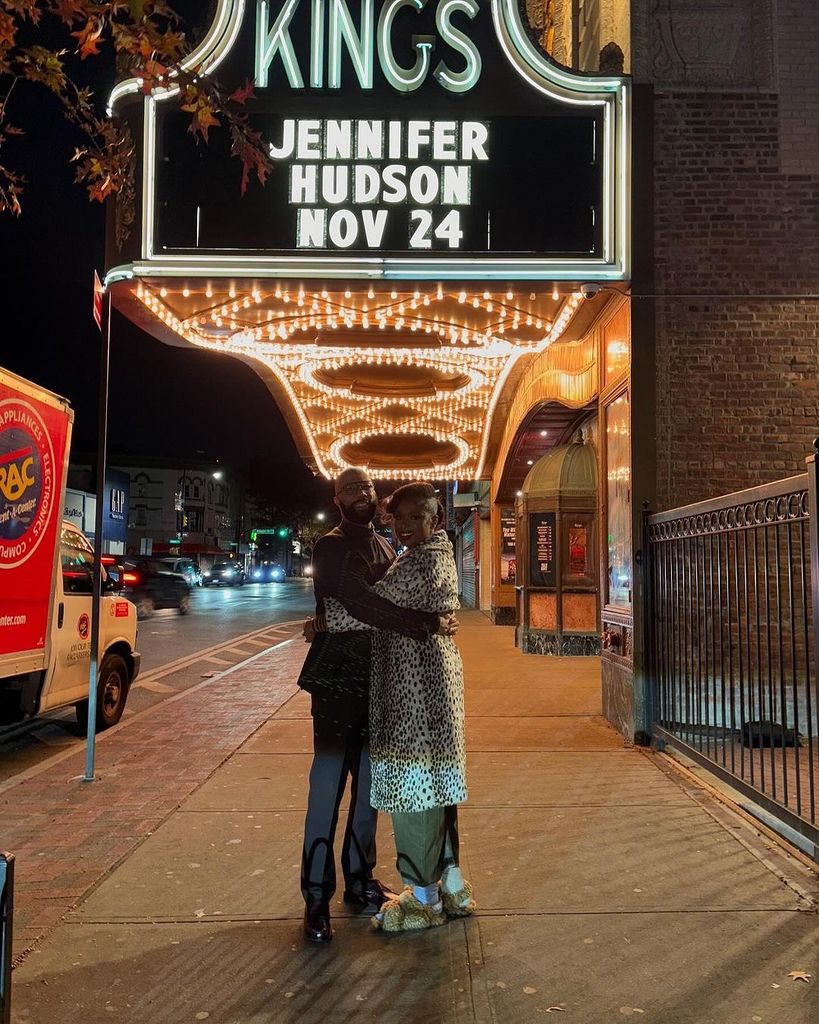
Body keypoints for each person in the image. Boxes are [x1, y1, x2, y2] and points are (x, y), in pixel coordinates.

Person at [298, 467, 458, 944]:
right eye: (349, 488)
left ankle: (360, 878)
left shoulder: (391, 546)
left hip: (381, 681)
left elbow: (390, 602)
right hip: (335, 681)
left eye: (365, 487)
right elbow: (360, 604)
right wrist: (426, 624)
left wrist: (426, 619)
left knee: (371, 787)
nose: (359, 494)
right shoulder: (329, 545)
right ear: (337, 497)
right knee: (326, 788)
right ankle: (315, 898)